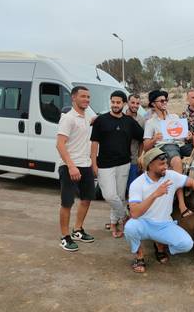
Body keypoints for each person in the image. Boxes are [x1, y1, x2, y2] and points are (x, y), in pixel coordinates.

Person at [124, 147, 194, 273]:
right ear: (150, 166)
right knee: (130, 228)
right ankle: (139, 256)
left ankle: (160, 245)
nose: (166, 166)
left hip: (164, 224)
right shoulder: (137, 184)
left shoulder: (171, 176)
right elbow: (134, 213)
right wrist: (154, 195)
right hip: (143, 223)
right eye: (161, 164)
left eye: (166, 163)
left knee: (186, 244)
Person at [91, 90, 144, 238]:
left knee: (120, 196)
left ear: (123, 103)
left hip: (124, 164)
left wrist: (141, 155)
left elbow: (143, 137)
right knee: (109, 195)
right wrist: (93, 164)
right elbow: (94, 143)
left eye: (118, 102)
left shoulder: (129, 122)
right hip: (104, 165)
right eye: (113, 102)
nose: (115, 105)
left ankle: (115, 223)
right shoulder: (101, 120)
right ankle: (126, 216)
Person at [56, 86, 95, 252]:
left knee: (86, 199)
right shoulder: (68, 118)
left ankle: (77, 230)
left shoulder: (86, 117)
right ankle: (65, 237)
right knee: (67, 203)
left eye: (88, 97)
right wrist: (71, 166)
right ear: (74, 98)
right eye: (83, 96)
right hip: (70, 166)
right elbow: (60, 144)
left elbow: (96, 120)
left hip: (85, 165)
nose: (86, 99)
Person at [143, 90, 192, 217]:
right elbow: (146, 146)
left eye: (166, 100)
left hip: (179, 144)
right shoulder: (150, 123)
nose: (165, 102)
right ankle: (182, 204)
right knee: (176, 160)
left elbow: (182, 137)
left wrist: (187, 135)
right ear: (153, 104)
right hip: (165, 146)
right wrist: (154, 139)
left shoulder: (175, 118)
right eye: (161, 100)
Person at [125, 93, 145, 192]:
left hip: (133, 158)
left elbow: (142, 141)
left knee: (132, 186)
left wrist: (140, 157)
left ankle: (131, 206)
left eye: (137, 103)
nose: (135, 105)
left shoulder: (142, 120)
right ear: (127, 102)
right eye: (132, 102)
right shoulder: (120, 116)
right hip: (120, 158)